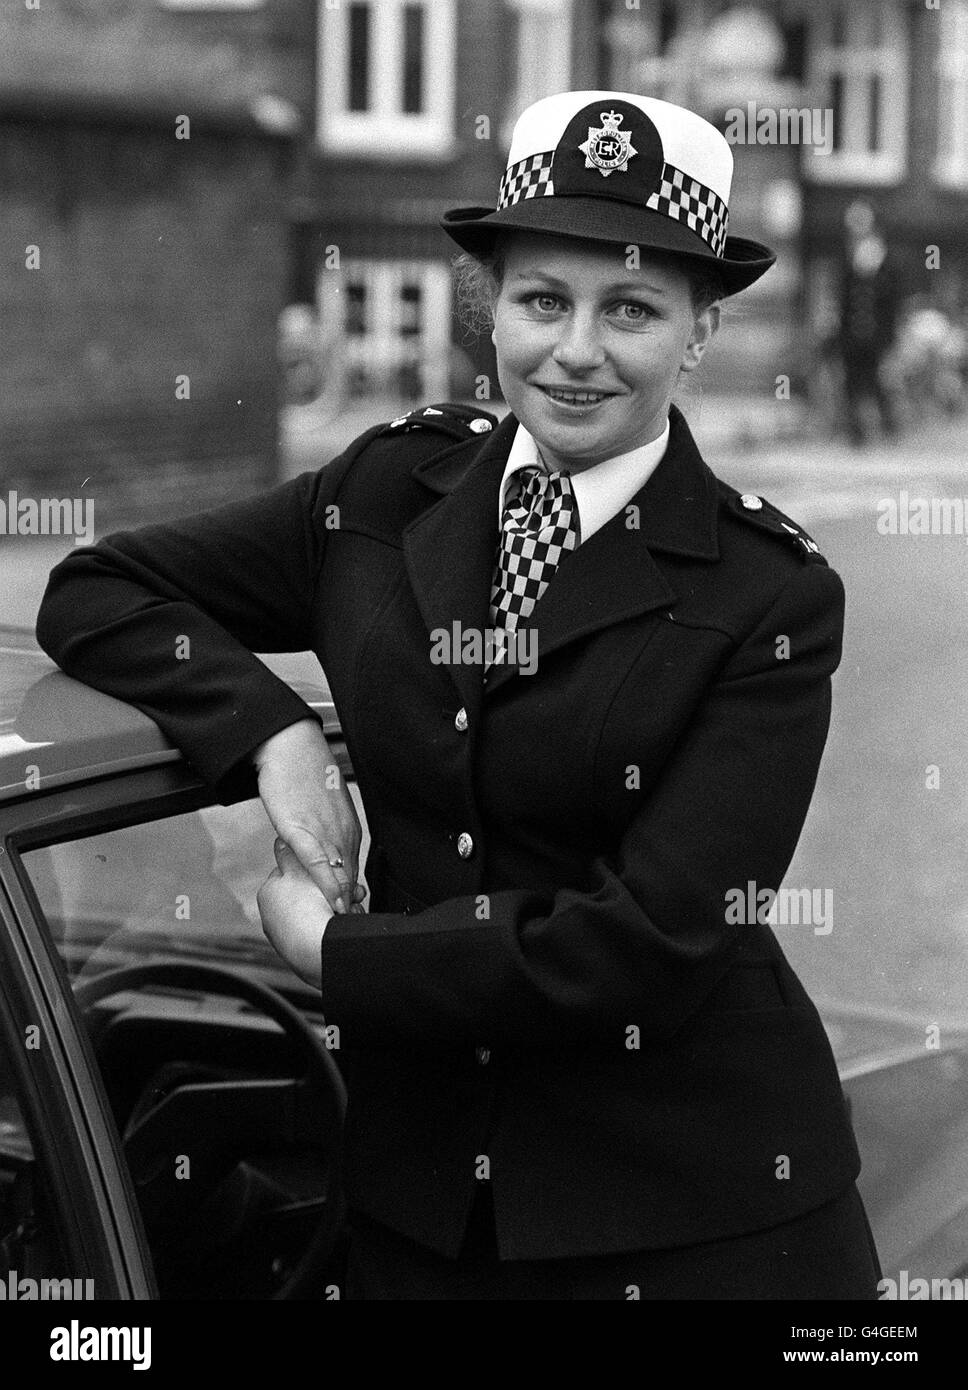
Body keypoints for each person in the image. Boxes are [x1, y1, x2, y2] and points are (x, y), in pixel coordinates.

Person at [36, 90, 881, 1300]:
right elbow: (100, 590)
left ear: (698, 330)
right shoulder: (384, 494)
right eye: (541, 301)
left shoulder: (768, 597)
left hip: (694, 1220)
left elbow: (648, 943)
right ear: (490, 306)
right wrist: (273, 735)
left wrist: (337, 957)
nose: (574, 350)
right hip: (420, 1212)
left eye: (630, 309)